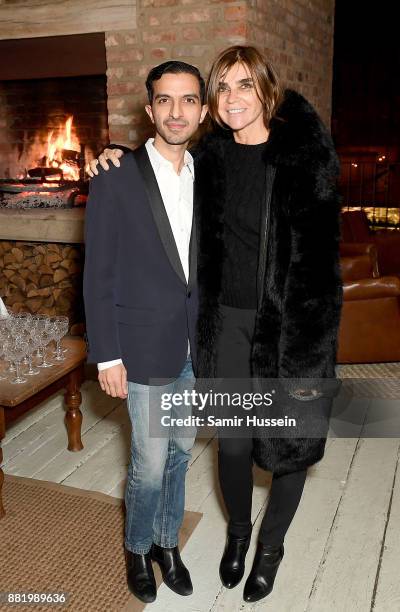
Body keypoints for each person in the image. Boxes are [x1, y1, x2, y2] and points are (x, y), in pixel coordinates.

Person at [88, 45, 342, 604]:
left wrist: (311, 346)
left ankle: (268, 553)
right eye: (223, 87)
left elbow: (323, 264)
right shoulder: (214, 161)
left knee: (288, 445)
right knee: (228, 447)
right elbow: (147, 185)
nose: (232, 98)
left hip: (289, 331)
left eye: (244, 85)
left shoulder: (303, 156)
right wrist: (109, 155)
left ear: (266, 90)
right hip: (222, 327)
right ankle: (234, 536)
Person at [83, 60, 207, 604]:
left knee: (181, 452)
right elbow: (98, 274)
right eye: (165, 100)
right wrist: (107, 355)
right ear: (150, 107)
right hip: (140, 346)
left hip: (196, 347)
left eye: (187, 101)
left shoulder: (211, 174)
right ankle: (137, 548)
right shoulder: (115, 176)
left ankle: (166, 543)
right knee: (150, 463)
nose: (176, 112)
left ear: (203, 110)